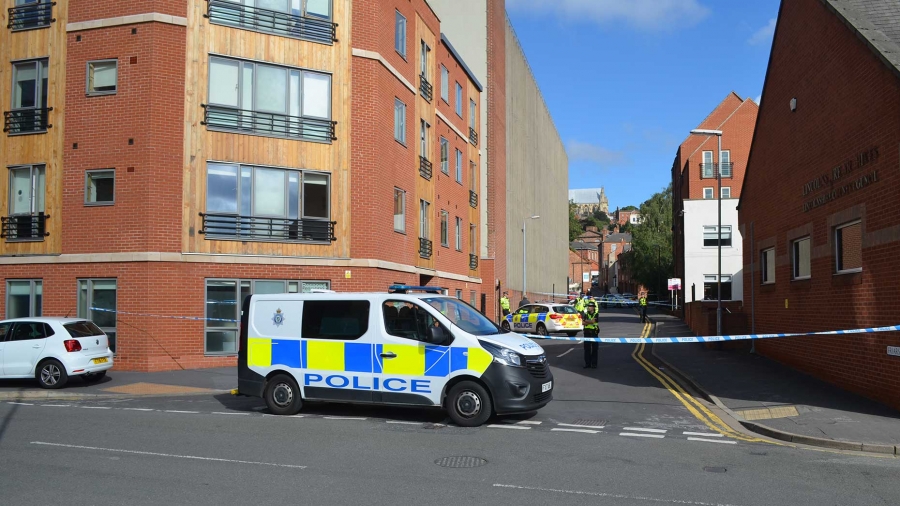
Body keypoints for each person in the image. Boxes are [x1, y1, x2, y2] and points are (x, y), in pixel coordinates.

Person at [582, 300, 600, 369]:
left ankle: (594, 364)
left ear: (593, 307)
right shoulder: (586, 314)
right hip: (586, 333)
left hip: (594, 333)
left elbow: (593, 321)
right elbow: (582, 323)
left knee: (595, 349)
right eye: (588, 306)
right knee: (587, 349)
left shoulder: (596, 314)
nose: (589, 307)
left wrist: (586, 321)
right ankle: (587, 363)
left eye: (590, 306)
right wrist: (589, 322)